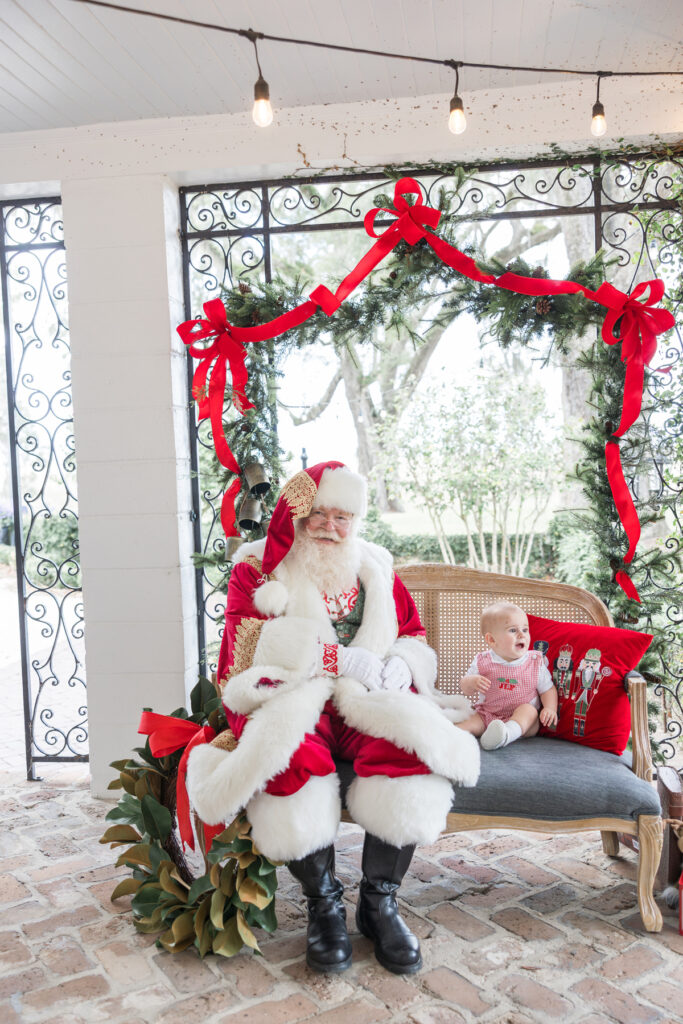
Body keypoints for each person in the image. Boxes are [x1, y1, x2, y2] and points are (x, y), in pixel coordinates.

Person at [186, 461, 479, 975]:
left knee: (408, 747)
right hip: (295, 698)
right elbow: (243, 647)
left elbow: (412, 635)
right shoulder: (257, 567)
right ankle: (324, 905)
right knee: (288, 756)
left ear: (356, 521)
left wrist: (398, 664)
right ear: (297, 515)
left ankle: (378, 903)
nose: (329, 526)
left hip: (365, 697)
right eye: (317, 513)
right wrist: (331, 659)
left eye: (342, 516)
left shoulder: (376, 566)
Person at [455, 601, 558, 750]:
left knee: (528, 710)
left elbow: (548, 689)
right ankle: (449, 734)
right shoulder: (482, 661)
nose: (522, 634)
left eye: (525, 629)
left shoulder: (535, 662)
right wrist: (471, 682)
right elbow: (465, 688)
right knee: (470, 721)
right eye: (512, 630)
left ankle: (506, 734)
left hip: (524, 721)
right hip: (488, 715)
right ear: (491, 640)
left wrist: (550, 708)